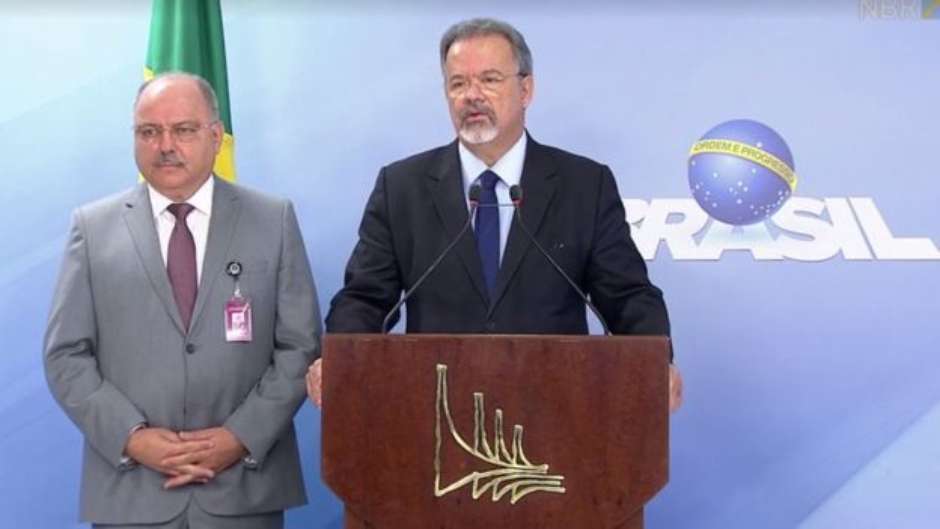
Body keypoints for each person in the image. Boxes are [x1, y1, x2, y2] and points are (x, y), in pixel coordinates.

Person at [307, 18, 681, 410]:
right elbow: (364, 298)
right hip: (435, 414)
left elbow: (627, 296)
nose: (472, 95)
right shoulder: (402, 187)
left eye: (489, 80)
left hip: (558, 413)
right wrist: (339, 359)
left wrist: (655, 362)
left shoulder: (584, 185)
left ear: (526, 89)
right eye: (458, 84)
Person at [44, 72, 321, 529]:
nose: (165, 146)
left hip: (243, 491)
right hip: (131, 493)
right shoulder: (92, 229)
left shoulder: (273, 220)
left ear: (215, 136)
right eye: (149, 132)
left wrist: (239, 436)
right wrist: (131, 438)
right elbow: (65, 355)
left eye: (184, 130)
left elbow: (300, 347)